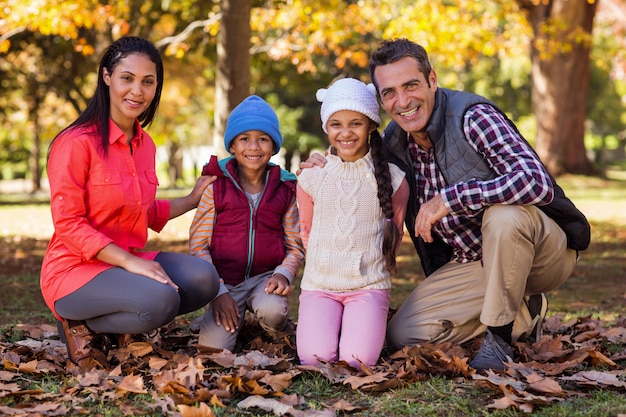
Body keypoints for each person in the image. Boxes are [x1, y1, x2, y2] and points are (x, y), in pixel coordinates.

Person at [303, 39, 590, 372]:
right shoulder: (396, 140)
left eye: (411, 85)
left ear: (432, 80)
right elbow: (360, 164)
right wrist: (324, 160)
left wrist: (452, 198)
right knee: (404, 332)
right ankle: (524, 314)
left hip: (543, 253)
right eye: (390, 92)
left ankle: (499, 338)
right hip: (475, 262)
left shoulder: (472, 116)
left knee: (504, 217)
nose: (403, 101)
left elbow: (535, 181)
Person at [41, 36, 220, 372]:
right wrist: (129, 263)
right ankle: (78, 324)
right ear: (107, 76)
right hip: (74, 270)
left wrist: (192, 199)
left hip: (126, 262)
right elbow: (68, 225)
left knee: (203, 279)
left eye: (148, 82)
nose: (137, 91)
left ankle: (119, 322)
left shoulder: (146, 144)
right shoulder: (75, 143)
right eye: (127, 78)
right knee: (162, 300)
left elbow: (143, 210)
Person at [296, 78, 409, 368]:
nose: (345, 133)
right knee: (314, 358)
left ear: (371, 125)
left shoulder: (394, 180)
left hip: (367, 285)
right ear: (326, 127)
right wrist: (326, 265)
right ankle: (330, 323)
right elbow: (306, 231)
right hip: (320, 284)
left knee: (357, 361)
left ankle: (361, 325)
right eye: (336, 124)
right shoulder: (312, 177)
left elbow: (394, 234)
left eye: (355, 123)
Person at [189, 95, 305, 352]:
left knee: (273, 312)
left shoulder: (285, 190)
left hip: (265, 278)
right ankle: (224, 316)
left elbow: (295, 245)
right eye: (244, 138)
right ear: (232, 145)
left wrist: (282, 273)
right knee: (214, 351)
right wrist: (217, 293)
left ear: (274, 146)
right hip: (224, 281)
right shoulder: (215, 187)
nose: (254, 146)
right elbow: (198, 245)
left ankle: (272, 326)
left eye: (263, 138)